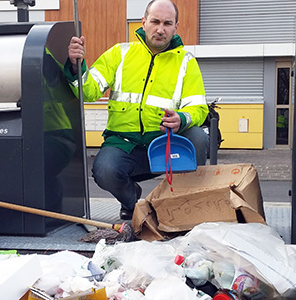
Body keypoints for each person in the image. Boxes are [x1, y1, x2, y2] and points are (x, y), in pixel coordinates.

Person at [66, 0, 209, 220]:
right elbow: (90, 91)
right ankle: (134, 203)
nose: (160, 29)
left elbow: (198, 107)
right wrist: (76, 66)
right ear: (143, 22)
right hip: (124, 143)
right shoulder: (119, 53)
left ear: (176, 27)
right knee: (104, 171)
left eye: (167, 23)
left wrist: (182, 118)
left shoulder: (186, 62)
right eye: (155, 21)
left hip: (163, 143)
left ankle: (183, 206)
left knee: (198, 137)